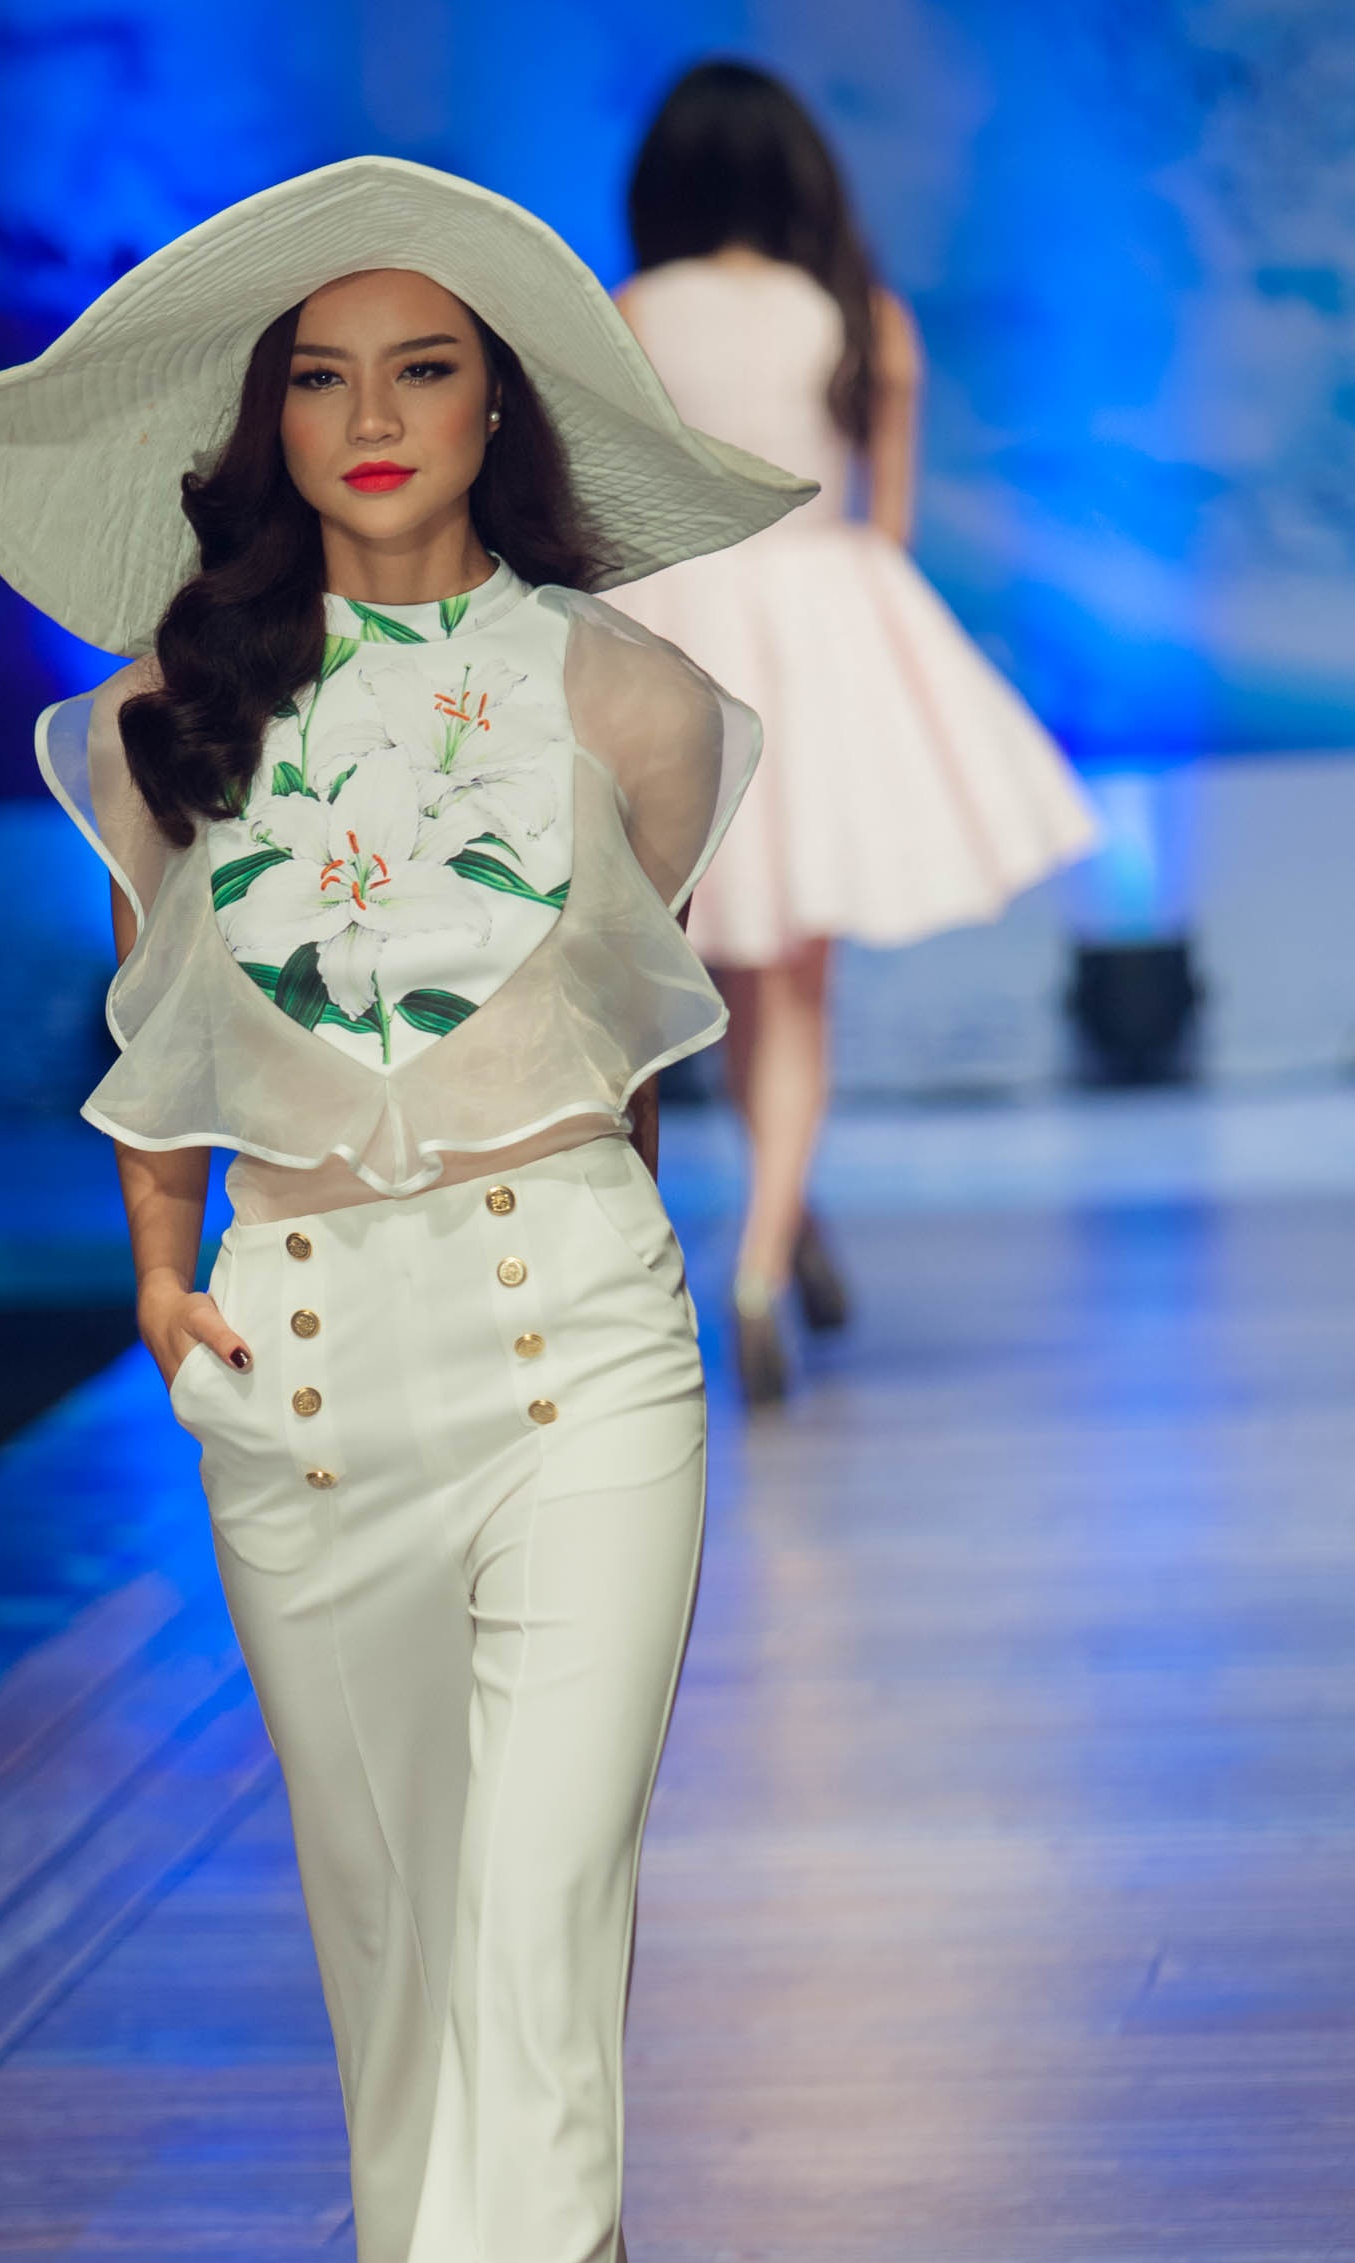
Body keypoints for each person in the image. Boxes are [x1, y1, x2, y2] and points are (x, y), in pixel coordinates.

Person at [0, 156, 812, 2263]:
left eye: (420, 367)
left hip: (575, 1346)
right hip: (299, 1377)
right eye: (318, 378)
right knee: (412, 2022)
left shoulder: (624, 695)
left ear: (496, 404)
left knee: (532, 1974)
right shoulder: (165, 715)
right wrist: (158, 1269)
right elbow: (162, 1028)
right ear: (259, 428)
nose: (370, 418)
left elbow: (607, 1038)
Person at [608, 61, 1097, 1405]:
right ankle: (771, 1255)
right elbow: (888, 525)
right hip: (824, 638)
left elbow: (608, 507)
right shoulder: (861, 314)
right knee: (796, 990)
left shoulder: (634, 313)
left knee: (724, 975)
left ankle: (777, 1228)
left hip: (679, 633)